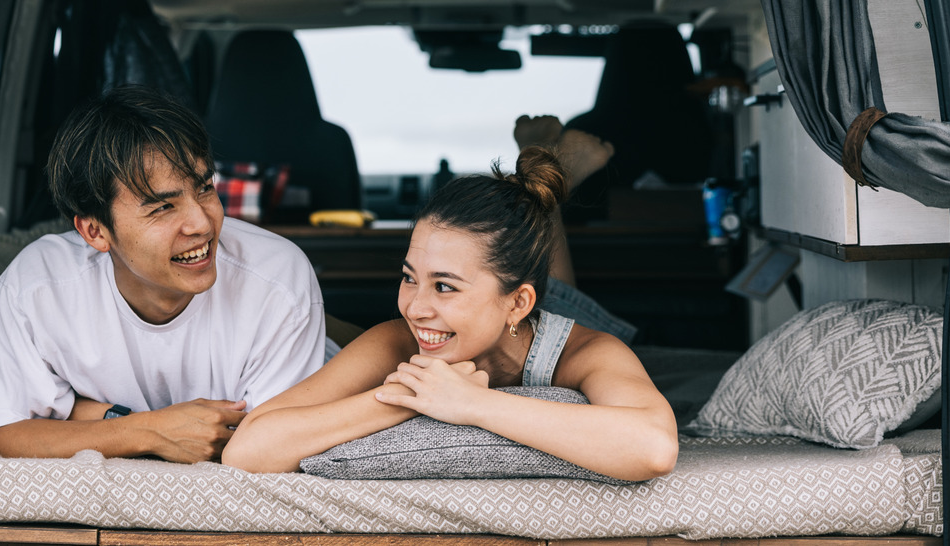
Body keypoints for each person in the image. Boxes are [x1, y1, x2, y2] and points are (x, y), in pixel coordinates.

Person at [221, 144, 677, 481]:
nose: (416, 308)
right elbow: (248, 451)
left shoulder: (588, 353)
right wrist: (407, 398)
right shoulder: (395, 339)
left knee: (568, 293)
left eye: (444, 286)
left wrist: (473, 405)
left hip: (563, 311)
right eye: (408, 277)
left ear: (518, 303)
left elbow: (653, 447)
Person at [0, 85, 326, 463]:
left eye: (204, 188)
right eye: (163, 207)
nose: (202, 223)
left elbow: (264, 448)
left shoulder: (277, 279)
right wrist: (148, 430)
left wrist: (81, 412)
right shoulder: (38, 286)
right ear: (95, 232)